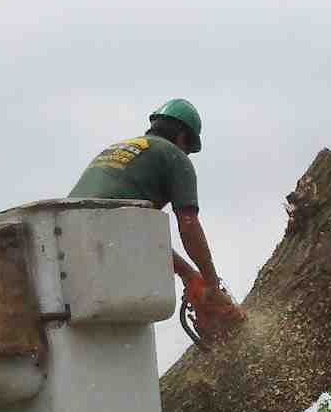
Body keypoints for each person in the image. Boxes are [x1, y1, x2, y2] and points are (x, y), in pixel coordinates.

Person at [67, 96, 244, 338]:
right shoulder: (174, 156)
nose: (187, 155)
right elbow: (189, 226)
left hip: (66, 238)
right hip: (105, 245)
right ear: (183, 138)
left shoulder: (126, 149)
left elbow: (137, 232)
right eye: (189, 150)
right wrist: (212, 286)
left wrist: (189, 274)